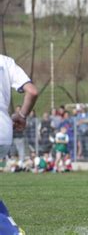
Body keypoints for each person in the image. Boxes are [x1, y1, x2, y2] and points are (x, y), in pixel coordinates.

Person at [0, 54, 38, 234]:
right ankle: (10, 225)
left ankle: (11, 232)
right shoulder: (5, 62)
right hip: (4, 131)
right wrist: (22, 115)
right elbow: (32, 91)